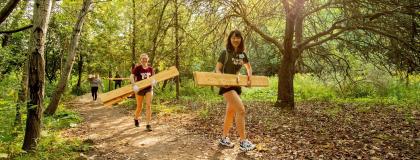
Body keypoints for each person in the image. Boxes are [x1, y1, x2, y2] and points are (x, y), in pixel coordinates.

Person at [215, 30, 256, 151]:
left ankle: (223, 138)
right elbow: (217, 69)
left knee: (230, 113)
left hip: (236, 85)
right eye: (233, 38)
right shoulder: (225, 53)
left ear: (241, 39)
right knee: (241, 110)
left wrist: (249, 79)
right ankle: (243, 142)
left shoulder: (242, 54)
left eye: (238, 38)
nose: (235, 40)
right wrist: (223, 81)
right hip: (226, 86)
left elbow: (248, 67)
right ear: (230, 39)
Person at [130, 53, 156, 131]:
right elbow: (131, 76)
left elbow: (153, 77)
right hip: (140, 89)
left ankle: (148, 124)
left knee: (148, 105)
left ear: (148, 59)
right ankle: (136, 118)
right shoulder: (138, 68)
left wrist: (154, 81)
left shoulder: (151, 69)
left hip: (148, 89)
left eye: (145, 58)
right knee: (139, 107)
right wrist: (134, 85)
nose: (144, 60)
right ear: (140, 60)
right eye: (143, 58)